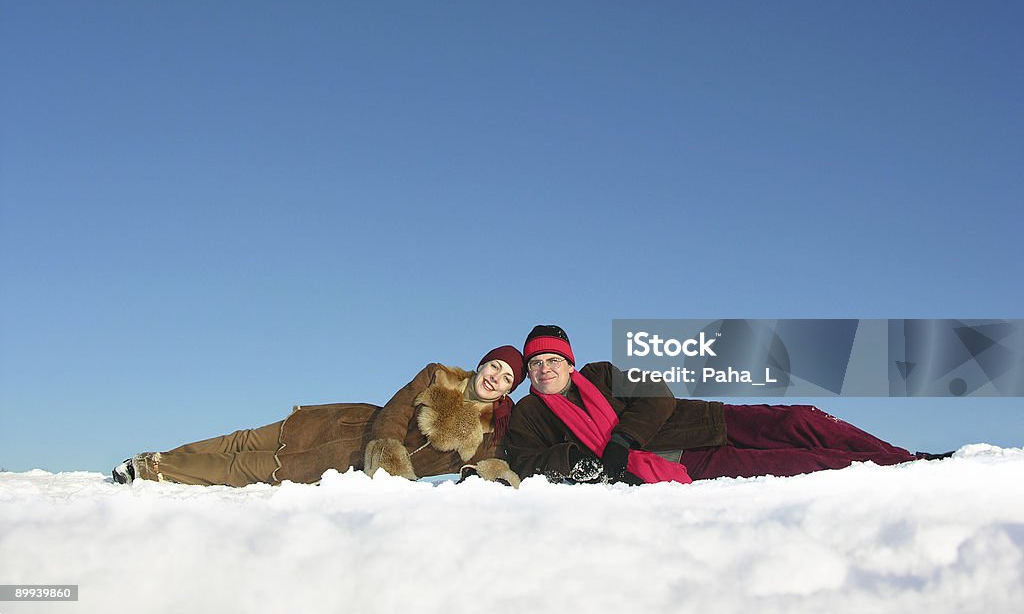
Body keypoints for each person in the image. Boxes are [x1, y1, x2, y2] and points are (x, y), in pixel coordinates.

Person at [504, 326, 945, 486]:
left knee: (801, 419)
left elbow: (657, 391)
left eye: (553, 359)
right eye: (538, 362)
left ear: (569, 362)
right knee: (798, 463)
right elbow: (525, 461)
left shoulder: (600, 374)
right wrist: (582, 457)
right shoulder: (530, 414)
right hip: (684, 463)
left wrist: (622, 437)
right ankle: (889, 469)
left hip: (704, 422)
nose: (545, 369)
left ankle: (904, 459)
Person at [112, 346, 525, 488]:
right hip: (346, 427)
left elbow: (485, 465)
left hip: (340, 463)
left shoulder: (490, 430)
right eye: (495, 367)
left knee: (247, 467)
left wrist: (499, 476)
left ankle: (152, 468)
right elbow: (396, 413)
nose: (496, 378)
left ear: (509, 389)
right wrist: (387, 459)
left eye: (507, 378)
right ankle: (162, 453)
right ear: (482, 363)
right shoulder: (438, 375)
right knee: (244, 438)